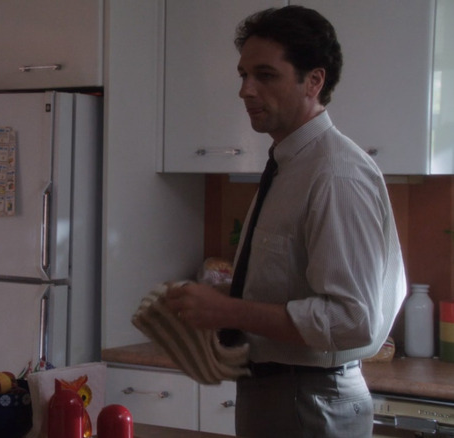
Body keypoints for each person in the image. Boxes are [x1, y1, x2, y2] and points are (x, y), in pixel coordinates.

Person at [165, 6, 405, 437]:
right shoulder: (290, 163)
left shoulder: (335, 173)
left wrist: (231, 309)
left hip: (310, 398)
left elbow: (353, 318)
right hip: (279, 391)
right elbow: (292, 282)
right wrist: (220, 297)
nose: (246, 90)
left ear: (314, 81)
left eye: (265, 75)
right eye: (243, 75)